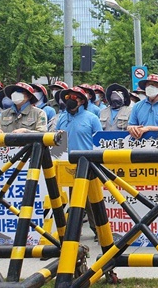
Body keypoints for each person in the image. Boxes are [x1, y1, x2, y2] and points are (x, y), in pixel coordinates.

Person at [55, 86, 103, 241]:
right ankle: (74, 231)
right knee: (71, 198)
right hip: (68, 164)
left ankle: (99, 230)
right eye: (68, 97)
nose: (70, 100)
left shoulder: (91, 118)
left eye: (75, 97)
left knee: (90, 199)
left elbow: (100, 141)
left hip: (89, 163)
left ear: (82, 101)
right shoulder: (62, 117)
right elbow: (57, 140)